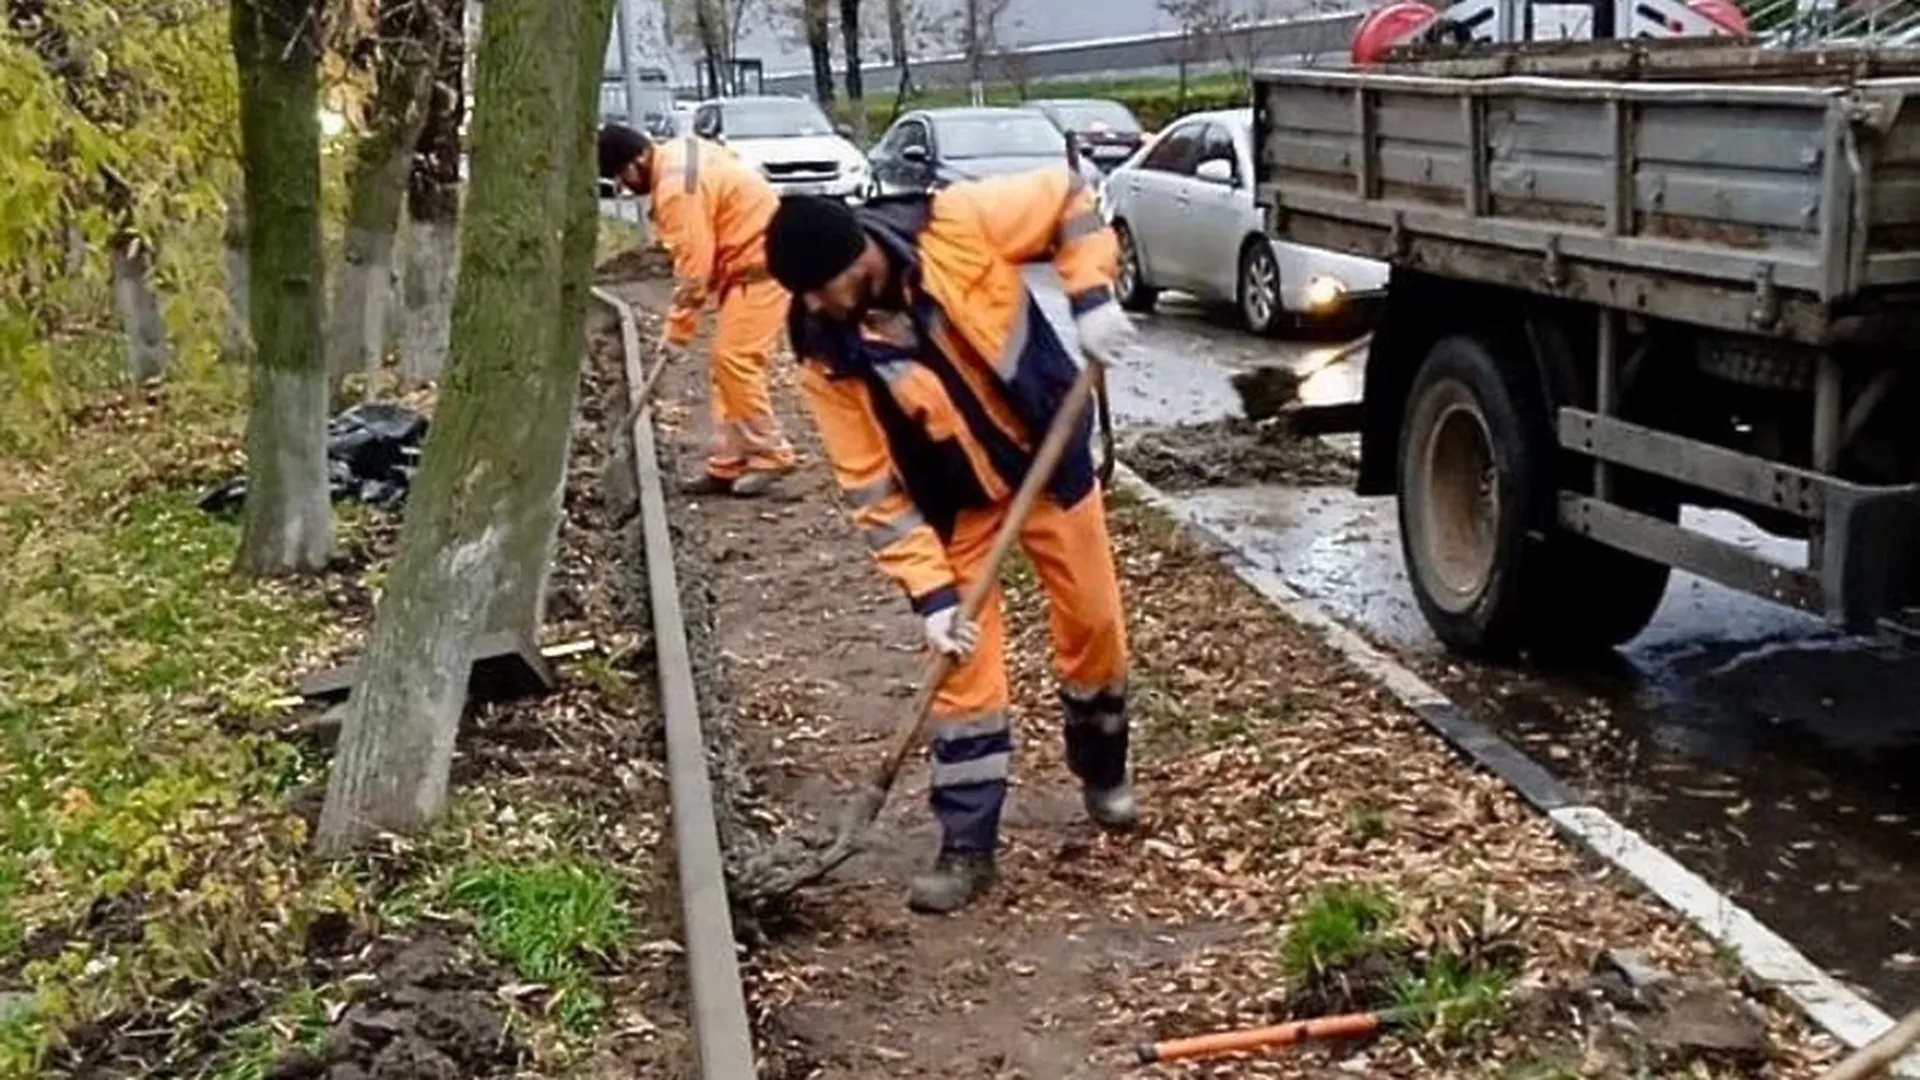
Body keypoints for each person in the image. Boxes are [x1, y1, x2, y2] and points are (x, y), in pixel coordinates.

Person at [763, 170, 1141, 914]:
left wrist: (1091, 296)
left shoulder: (954, 223)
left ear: (857, 261)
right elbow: (868, 485)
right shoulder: (825, 350)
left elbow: (1069, 199)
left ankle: (1102, 769)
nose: (812, 305)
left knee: (1094, 627)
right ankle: (967, 843)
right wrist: (933, 596)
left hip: (1048, 456)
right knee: (964, 671)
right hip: (961, 505)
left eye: (818, 287)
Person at [598, 123, 798, 495]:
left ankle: (771, 454)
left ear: (639, 158)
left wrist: (677, 330)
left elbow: (693, 271)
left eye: (621, 174)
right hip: (750, 261)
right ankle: (729, 461)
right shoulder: (680, 153)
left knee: (735, 362)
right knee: (725, 369)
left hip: (760, 268)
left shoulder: (676, 191)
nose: (624, 187)